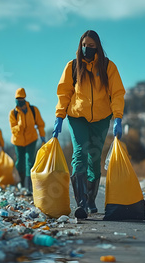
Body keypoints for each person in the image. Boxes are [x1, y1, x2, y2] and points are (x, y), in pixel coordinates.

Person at [52, 30, 126, 219]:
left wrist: (118, 118)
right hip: (77, 117)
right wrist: (59, 116)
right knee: (80, 153)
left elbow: (117, 93)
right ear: (80, 45)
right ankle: (82, 203)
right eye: (84, 45)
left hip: (101, 118)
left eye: (91, 46)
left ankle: (91, 198)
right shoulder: (73, 66)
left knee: (94, 158)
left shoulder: (108, 67)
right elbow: (64, 93)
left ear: (98, 47)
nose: (87, 49)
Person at [9, 88, 46, 194]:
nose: (19, 100)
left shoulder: (33, 110)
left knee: (29, 161)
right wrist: (20, 125)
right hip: (18, 141)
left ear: (25, 98)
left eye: (21, 98)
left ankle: (29, 187)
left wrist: (42, 136)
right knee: (20, 163)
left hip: (31, 139)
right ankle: (21, 182)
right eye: (17, 98)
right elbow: (13, 129)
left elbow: (40, 124)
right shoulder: (13, 113)